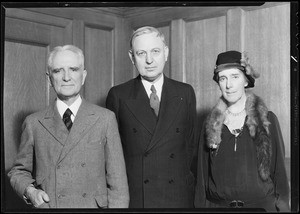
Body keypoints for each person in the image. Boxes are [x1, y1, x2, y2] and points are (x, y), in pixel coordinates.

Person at [8, 45, 129, 209]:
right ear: (49, 79)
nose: (66, 77)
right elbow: (18, 171)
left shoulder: (105, 118)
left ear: (83, 76)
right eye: (58, 71)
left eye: (73, 69)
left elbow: (118, 184)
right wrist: (30, 191)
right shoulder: (33, 123)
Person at [106, 26, 197, 208]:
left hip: (177, 197)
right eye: (141, 53)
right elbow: (113, 157)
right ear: (132, 58)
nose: (149, 60)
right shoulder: (118, 95)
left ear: (166, 53)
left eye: (155, 51)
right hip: (138, 198)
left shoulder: (185, 92)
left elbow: (191, 147)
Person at [194, 50, 290, 211]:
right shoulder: (210, 124)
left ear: (246, 81)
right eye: (223, 78)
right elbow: (202, 179)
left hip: (262, 208)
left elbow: (279, 173)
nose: (229, 85)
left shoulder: (267, 120)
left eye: (235, 77)